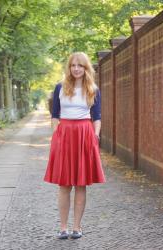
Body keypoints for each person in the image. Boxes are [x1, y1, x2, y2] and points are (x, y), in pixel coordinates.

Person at [44, 52, 106, 240]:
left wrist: (95, 137)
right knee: (64, 185)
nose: (76, 69)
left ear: (86, 68)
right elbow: (55, 115)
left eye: (80, 65)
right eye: (73, 65)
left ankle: (77, 227)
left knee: (80, 185)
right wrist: (56, 136)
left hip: (84, 136)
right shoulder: (60, 88)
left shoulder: (93, 89)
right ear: (69, 68)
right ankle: (63, 227)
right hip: (64, 135)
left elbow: (97, 118)